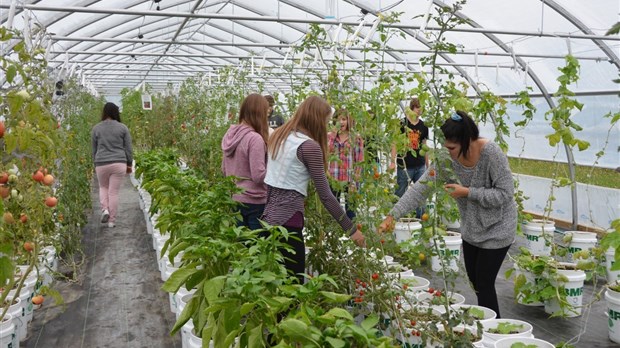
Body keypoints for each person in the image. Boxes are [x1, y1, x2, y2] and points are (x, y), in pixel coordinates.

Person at [378, 111, 517, 318]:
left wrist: (468, 192)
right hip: (472, 228)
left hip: (499, 227)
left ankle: (493, 330)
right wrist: (392, 216)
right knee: (476, 283)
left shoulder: (491, 154)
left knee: (485, 283)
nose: (448, 151)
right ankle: (489, 326)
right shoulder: (446, 160)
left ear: (467, 141)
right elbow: (421, 188)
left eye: (452, 148)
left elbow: (506, 194)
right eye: (445, 146)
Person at [263, 96, 365, 282]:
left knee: (271, 282)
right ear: (317, 120)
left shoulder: (279, 135)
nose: (327, 127)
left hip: (267, 217)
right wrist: (350, 229)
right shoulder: (309, 147)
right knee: (292, 285)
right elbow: (326, 196)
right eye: (326, 122)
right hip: (289, 222)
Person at [221, 94, 270, 230]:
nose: (267, 117)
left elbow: (224, 170)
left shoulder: (229, 135)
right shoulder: (254, 139)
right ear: (259, 113)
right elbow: (258, 175)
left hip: (235, 199)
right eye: (265, 113)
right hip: (255, 202)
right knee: (256, 247)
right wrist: (277, 171)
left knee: (240, 246)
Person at [91, 102, 133, 228]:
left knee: (103, 187)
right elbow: (128, 148)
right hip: (118, 162)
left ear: (104, 112)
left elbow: (94, 149)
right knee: (113, 192)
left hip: (101, 162)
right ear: (116, 112)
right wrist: (129, 163)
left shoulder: (96, 128)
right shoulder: (123, 128)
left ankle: (105, 210)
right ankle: (112, 221)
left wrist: (95, 162)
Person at [392, 97, 429, 217]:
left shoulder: (424, 126)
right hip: (404, 165)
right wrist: (392, 162)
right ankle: (395, 217)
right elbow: (394, 143)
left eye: (421, 108)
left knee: (421, 193)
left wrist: (428, 164)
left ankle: (421, 219)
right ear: (412, 108)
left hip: (420, 165)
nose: (420, 110)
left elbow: (424, 146)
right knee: (400, 193)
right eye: (418, 108)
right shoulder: (402, 124)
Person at [327, 109, 364, 220]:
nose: (341, 122)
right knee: (334, 209)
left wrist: (355, 181)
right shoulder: (330, 136)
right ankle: (336, 233)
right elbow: (326, 153)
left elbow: (359, 161)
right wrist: (333, 135)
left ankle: (351, 234)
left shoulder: (355, 137)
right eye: (338, 120)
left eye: (344, 119)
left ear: (348, 121)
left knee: (351, 210)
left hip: (349, 178)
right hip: (334, 178)